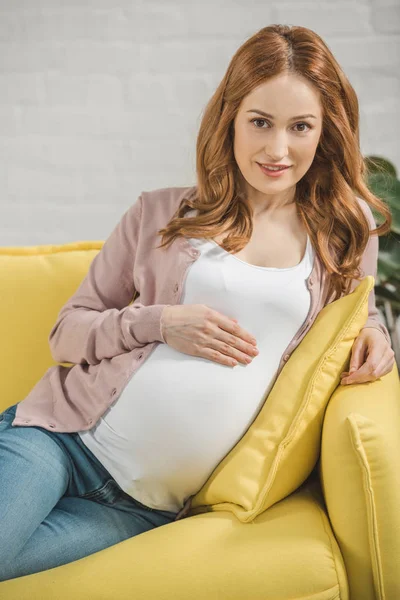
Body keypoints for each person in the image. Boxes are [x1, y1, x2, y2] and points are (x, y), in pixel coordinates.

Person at [0, 24, 395, 582]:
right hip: (60, 439)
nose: (277, 149)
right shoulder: (161, 214)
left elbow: (360, 310)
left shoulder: (346, 230)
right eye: (260, 122)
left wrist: (375, 334)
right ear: (230, 118)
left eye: (300, 127)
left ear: (325, 131)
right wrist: (160, 322)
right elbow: (66, 332)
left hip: (143, 510)